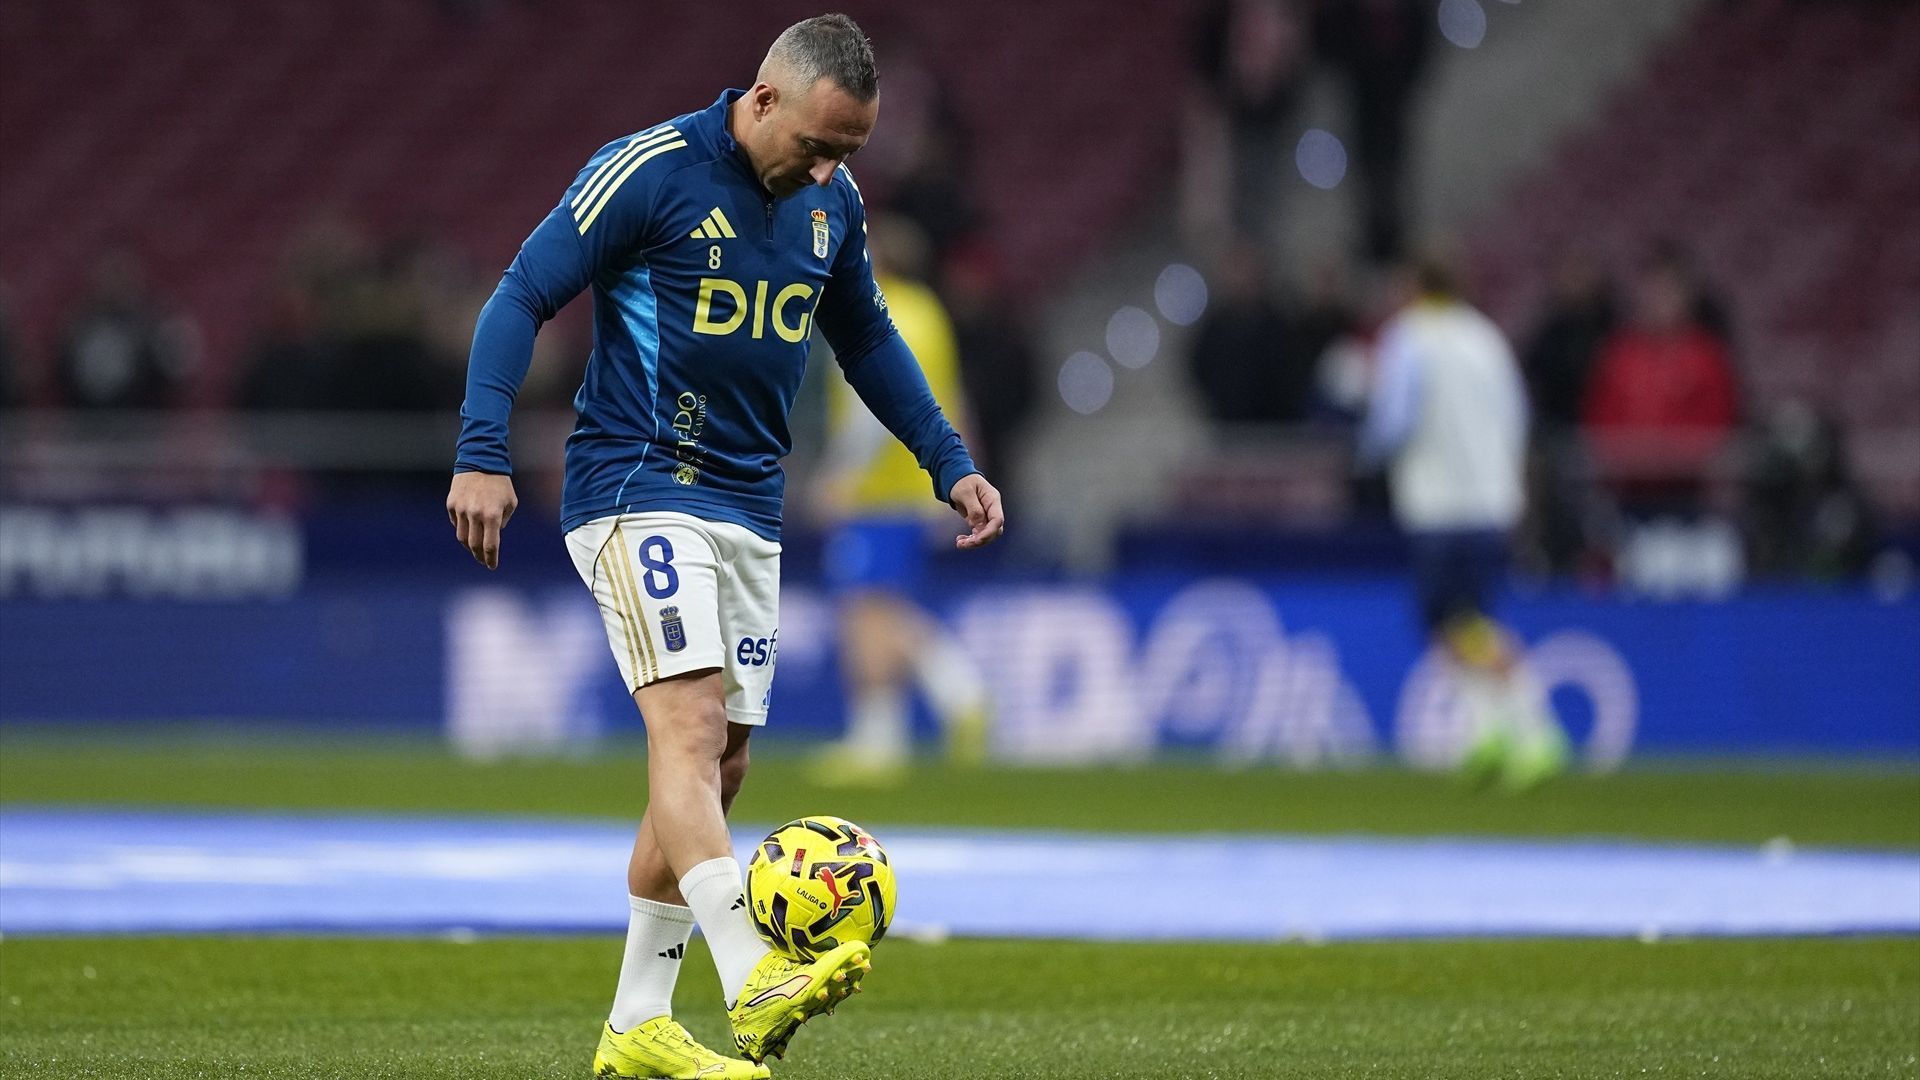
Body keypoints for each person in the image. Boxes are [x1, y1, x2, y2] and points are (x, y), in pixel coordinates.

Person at [444, 16, 1005, 1079]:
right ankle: (752, 972)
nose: (829, 169)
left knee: (723, 761)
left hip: (750, 505)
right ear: (763, 98)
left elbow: (867, 336)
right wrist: (482, 450)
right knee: (691, 725)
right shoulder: (650, 171)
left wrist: (947, 459)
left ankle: (637, 1024)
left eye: (849, 152)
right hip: (637, 483)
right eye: (819, 144)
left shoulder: (834, 203)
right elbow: (521, 293)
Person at [1360, 258, 1567, 791]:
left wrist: (1362, 446)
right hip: (1491, 502)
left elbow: (1394, 421)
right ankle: (1487, 731)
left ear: (1414, 288)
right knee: (1465, 621)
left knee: (1459, 624)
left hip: (1438, 503)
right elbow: (1518, 415)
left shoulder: (1409, 337)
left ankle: (1537, 730)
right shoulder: (1487, 338)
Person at [812, 213, 992, 784]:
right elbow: (953, 396)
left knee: (866, 612)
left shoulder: (876, 312)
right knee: (881, 607)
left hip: (879, 490)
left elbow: (872, 405)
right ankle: (905, 723)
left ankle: (934, 706)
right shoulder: (930, 312)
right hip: (918, 484)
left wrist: (840, 475)